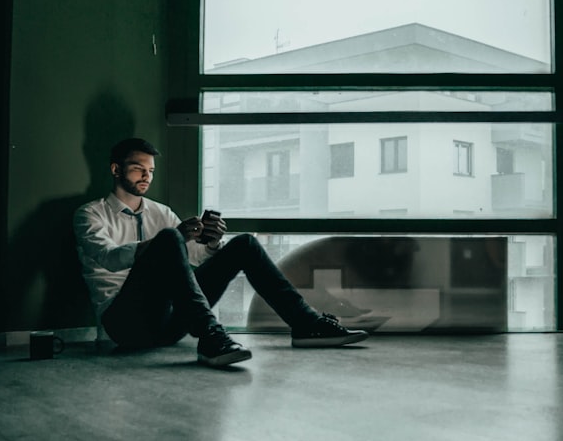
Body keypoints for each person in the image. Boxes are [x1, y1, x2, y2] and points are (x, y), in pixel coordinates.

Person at [73, 137, 368, 367]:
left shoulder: (161, 212)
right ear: (116, 169)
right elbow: (108, 258)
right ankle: (211, 336)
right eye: (138, 168)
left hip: (171, 324)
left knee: (244, 244)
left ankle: (307, 324)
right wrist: (166, 241)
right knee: (167, 239)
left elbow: (190, 261)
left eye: (150, 171)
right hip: (124, 324)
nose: (146, 176)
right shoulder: (90, 214)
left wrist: (211, 243)